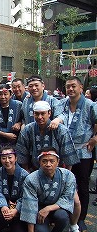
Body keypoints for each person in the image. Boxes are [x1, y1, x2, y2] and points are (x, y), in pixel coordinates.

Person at [58, 76, 97, 231]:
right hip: (65, 150)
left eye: (73, 86)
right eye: (68, 87)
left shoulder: (89, 105)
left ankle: (81, 218)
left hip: (83, 151)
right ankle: (66, 215)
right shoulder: (62, 103)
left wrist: (95, 138)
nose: (71, 89)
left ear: (81, 87)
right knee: (65, 184)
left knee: (82, 185)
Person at [20, 147, 77, 232]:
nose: (48, 164)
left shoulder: (68, 175)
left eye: (52, 161)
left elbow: (67, 198)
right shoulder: (31, 179)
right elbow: (30, 205)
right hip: (39, 208)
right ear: (39, 162)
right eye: (44, 161)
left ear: (58, 162)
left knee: (62, 216)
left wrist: (48, 208)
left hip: (57, 207)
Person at [16, 101, 79, 171]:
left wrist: (67, 174)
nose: (40, 117)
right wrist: (26, 171)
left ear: (49, 113)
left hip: (58, 170)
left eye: (43, 113)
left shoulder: (61, 130)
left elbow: (68, 155)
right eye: (36, 114)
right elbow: (22, 152)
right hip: (35, 170)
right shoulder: (27, 129)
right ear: (33, 114)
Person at [0, 146, 28, 232]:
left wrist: (16, 210)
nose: (7, 161)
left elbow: (26, 195)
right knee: (1, 219)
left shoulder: (24, 175)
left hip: (19, 210)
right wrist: (3, 205)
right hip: (3, 208)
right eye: (3, 158)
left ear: (16, 158)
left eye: (10, 157)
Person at [0, 84, 22, 170]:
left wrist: (19, 123)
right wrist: (5, 135)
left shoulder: (18, 105)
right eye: (0, 94)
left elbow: (25, 119)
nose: (3, 97)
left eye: (5, 94)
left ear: (11, 94)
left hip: (15, 145)